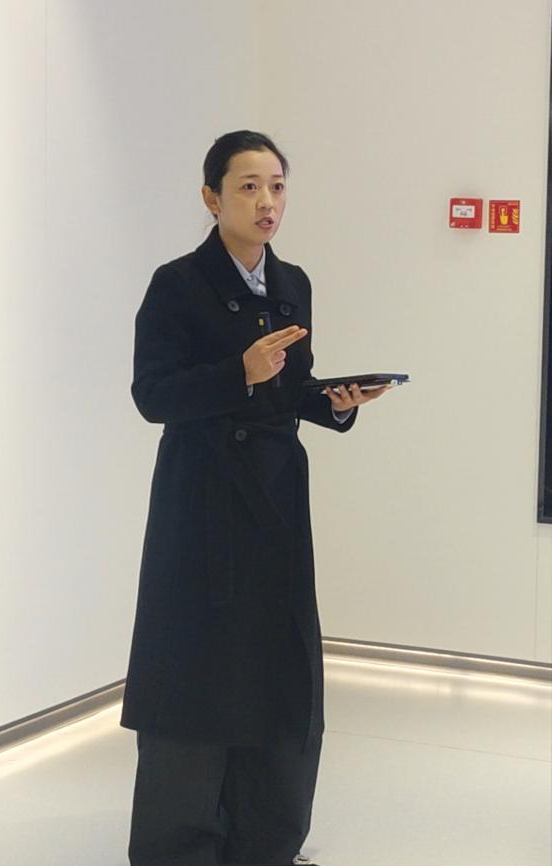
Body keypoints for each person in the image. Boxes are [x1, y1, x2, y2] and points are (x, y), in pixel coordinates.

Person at [120, 130, 390, 866]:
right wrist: (236, 372)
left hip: (274, 500)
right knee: (197, 667)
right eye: (248, 186)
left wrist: (334, 402)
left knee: (276, 663)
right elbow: (152, 395)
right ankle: (181, 846)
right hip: (201, 501)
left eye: (277, 185)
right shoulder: (177, 284)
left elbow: (287, 390)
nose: (267, 201)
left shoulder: (293, 281)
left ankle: (266, 840)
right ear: (211, 198)